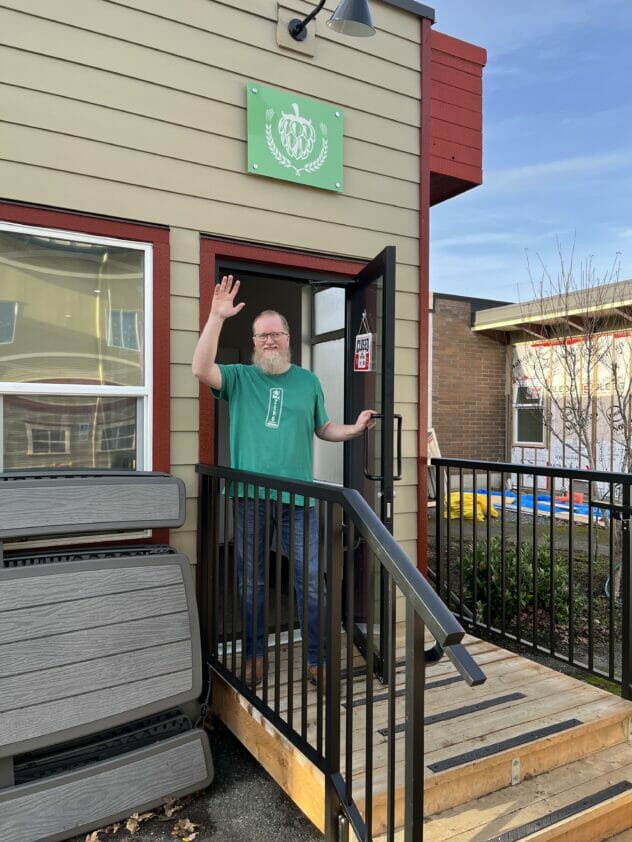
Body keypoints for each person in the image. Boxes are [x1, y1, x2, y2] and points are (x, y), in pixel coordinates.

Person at [192, 274, 375, 687]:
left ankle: (316, 657)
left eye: (275, 334)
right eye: (262, 336)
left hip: (299, 500)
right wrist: (216, 316)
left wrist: (354, 429)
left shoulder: (307, 382)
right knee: (251, 581)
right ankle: (255, 654)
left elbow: (323, 428)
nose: (269, 341)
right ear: (254, 342)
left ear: (288, 337)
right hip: (248, 497)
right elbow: (199, 368)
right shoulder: (240, 378)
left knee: (311, 581)